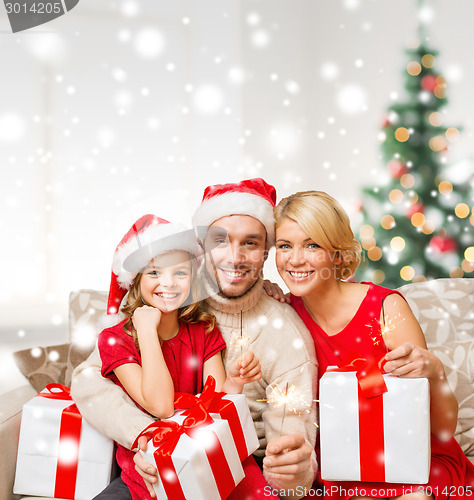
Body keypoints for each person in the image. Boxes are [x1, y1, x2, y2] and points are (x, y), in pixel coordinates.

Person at [72, 178, 319, 500]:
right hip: (147, 462)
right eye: (220, 241)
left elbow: (288, 431)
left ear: (266, 252)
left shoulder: (282, 332)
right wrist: (143, 437)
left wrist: (292, 469)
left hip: (232, 462)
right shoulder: (167, 298)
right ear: (200, 248)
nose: (235, 257)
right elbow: (89, 380)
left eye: (250, 243)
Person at [271, 189, 474, 500]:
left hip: (414, 458)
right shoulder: (285, 317)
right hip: (346, 466)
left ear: (337, 253)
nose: (295, 259)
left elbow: (442, 429)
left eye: (312, 245)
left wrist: (435, 372)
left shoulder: (385, 308)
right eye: (285, 246)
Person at [94, 214, 262, 500]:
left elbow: (217, 404)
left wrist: (234, 381)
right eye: (155, 273)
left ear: (192, 279)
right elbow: (161, 406)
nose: (168, 283)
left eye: (180, 273)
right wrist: (146, 330)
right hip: (151, 467)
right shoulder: (115, 340)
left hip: (203, 455)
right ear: (136, 281)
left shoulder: (202, 329)